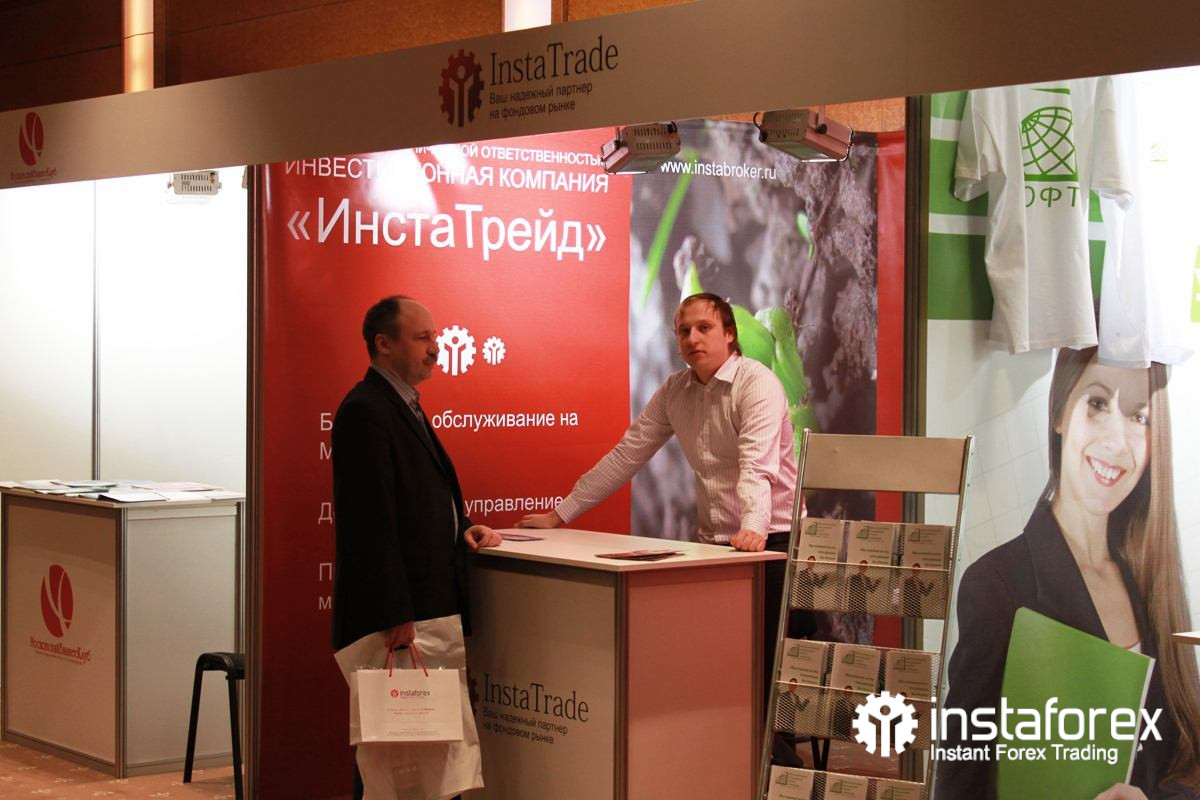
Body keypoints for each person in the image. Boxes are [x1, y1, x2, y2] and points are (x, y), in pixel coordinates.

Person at [516, 291, 807, 759]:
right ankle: (732, 769)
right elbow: (627, 454)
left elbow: (757, 466)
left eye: (704, 328)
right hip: (717, 547)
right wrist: (561, 513)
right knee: (723, 673)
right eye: (683, 330)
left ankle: (778, 774)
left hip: (775, 541)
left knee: (765, 676)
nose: (692, 338)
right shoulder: (676, 391)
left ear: (730, 334)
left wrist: (753, 526)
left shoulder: (758, 383)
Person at [941, 347, 1200, 800]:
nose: (1117, 441)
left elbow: (1187, 760)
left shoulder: (1150, 582)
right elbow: (961, 780)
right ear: (1059, 412)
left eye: (1139, 417)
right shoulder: (998, 585)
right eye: (1098, 403)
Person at [331, 295, 502, 800]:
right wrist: (395, 613)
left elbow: (417, 500)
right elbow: (370, 522)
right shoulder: (366, 410)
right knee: (392, 755)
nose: (435, 347)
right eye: (423, 337)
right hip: (399, 618)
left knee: (412, 754)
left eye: (435, 336)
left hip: (424, 608)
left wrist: (461, 527)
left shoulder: (403, 405)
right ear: (384, 344)